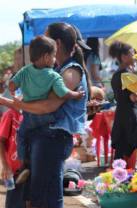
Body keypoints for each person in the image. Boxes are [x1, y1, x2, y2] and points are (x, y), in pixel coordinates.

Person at [7, 22, 89, 208]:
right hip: (40, 138)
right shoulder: (48, 70)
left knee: (51, 207)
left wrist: (17, 103)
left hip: (52, 138)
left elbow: (49, 106)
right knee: (36, 205)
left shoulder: (68, 71)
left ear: (59, 46)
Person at [6, 35, 84, 184]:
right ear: (47, 57)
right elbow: (64, 93)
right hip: (47, 117)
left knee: (21, 136)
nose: (55, 59)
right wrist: (77, 94)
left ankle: (23, 165)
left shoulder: (25, 71)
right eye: (54, 56)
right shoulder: (54, 76)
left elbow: (12, 84)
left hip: (29, 116)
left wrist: (14, 91)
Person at [109, 41, 137, 167]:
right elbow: (135, 97)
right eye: (133, 53)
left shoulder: (117, 74)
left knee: (121, 151)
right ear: (124, 57)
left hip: (121, 115)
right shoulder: (127, 75)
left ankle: (116, 178)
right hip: (133, 116)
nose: (136, 55)